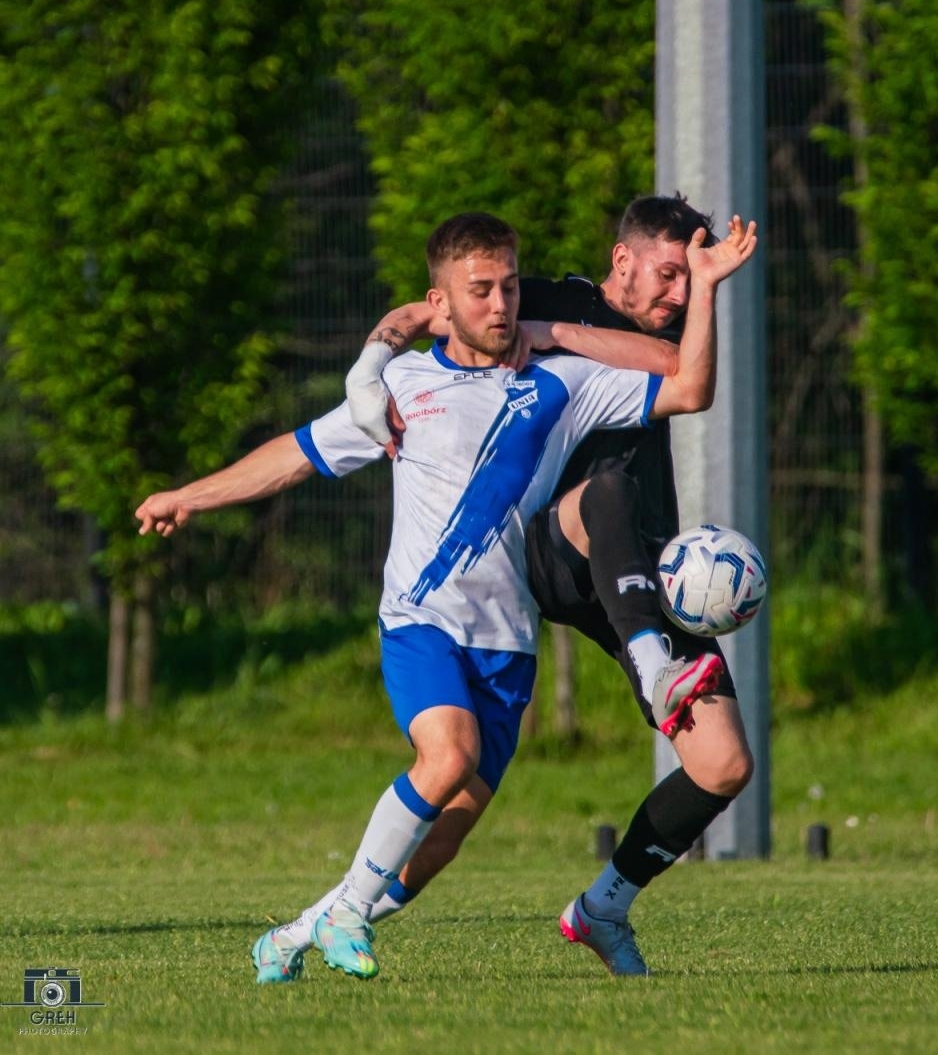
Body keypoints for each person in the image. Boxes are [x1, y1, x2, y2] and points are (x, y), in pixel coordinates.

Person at [135, 209, 757, 984]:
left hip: (511, 637)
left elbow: (686, 377)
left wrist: (653, 305)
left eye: (509, 289)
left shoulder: (561, 377)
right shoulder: (405, 386)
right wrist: (191, 494)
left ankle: (305, 928)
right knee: (448, 752)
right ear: (445, 300)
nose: (501, 305)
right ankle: (351, 913)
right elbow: (298, 455)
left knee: (445, 832)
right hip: (426, 619)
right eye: (482, 291)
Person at [345, 194, 756, 977]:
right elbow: (415, 312)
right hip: (551, 550)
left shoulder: (609, 325)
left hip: (635, 571)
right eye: (669, 275)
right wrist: (368, 367)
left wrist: (694, 293)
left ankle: (600, 906)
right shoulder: (531, 296)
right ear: (622, 260)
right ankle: (650, 664)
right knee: (605, 489)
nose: (676, 295)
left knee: (723, 762)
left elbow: (690, 381)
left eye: (690, 282)